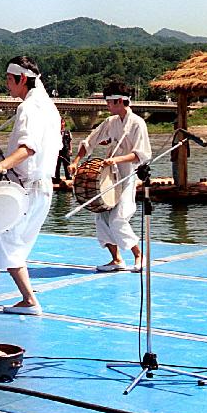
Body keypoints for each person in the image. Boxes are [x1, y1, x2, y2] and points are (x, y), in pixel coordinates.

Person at [0, 56, 61, 316]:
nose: (6, 84)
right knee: (2, 235)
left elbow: (28, 147)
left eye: (9, 79)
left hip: (25, 188)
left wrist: (2, 165)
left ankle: (29, 300)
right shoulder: (48, 106)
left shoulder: (29, 109)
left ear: (22, 79)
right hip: (41, 186)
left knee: (8, 239)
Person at [71, 78, 151, 273]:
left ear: (120, 101)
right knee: (102, 218)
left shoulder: (137, 124)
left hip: (127, 175)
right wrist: (76, 161)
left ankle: (139, 255)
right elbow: (91, 141)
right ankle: (116, 260)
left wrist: (116, 160)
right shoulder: (111, 122)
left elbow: (141, 154)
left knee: (118, 218)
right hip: (109, 177)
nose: (107, 105)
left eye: (109, 101)